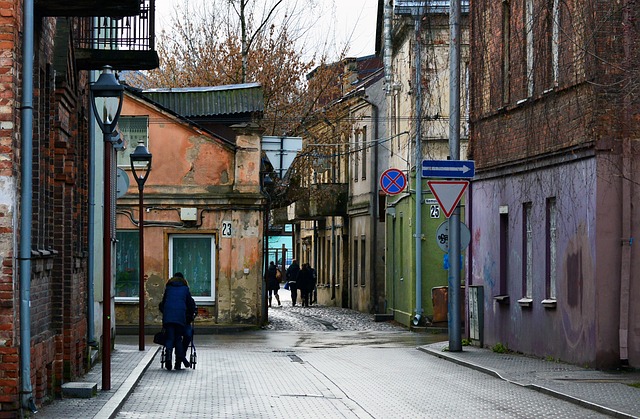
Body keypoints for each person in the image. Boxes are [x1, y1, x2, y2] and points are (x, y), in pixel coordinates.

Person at [159, 272, 196, 371]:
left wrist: (165, 312)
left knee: (170, 338)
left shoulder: (168, 288)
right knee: (178, 338)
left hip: (168, 316)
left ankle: (169, 357)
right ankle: (180, 360)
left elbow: (163, 303)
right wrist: (192, 313)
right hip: (180, 317)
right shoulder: (185, 289)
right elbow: (191, 304)